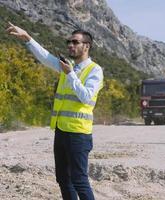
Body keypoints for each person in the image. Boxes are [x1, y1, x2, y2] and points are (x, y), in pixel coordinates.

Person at [6, 22, 103, 200]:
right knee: (63, 180)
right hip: (61, 131)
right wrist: (27, 37)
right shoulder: (68, 66)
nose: (70, 45)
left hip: (78, 134)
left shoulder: (94, 70)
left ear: (86, 46)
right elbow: (45, 57)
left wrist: (70, 74)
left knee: (79, 180)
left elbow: (86, 97)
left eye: (75, 42)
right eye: (69, 42)